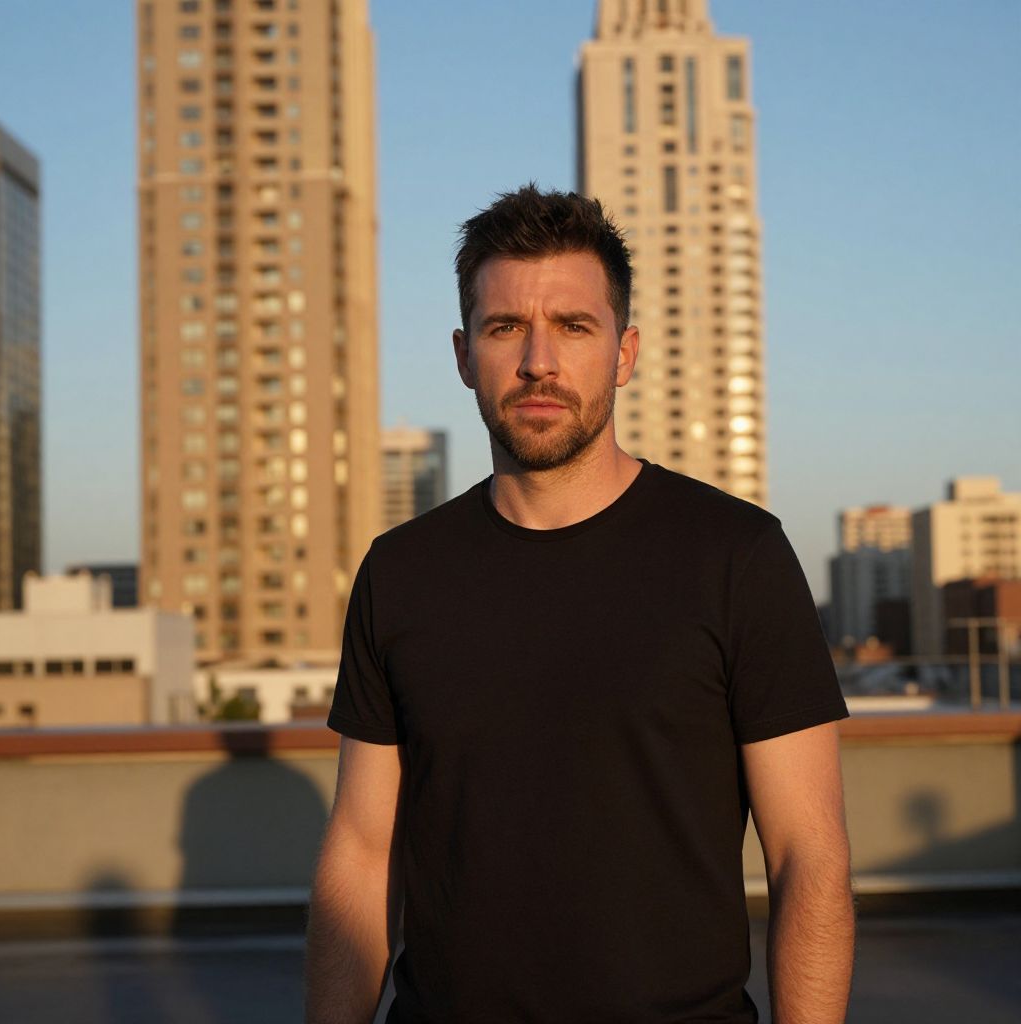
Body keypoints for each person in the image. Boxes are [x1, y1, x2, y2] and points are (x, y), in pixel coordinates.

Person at [305, 185, 855, 1024]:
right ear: (462, 355)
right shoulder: (401, 572)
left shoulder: (737, 557)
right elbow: (361, 853)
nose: (538, 362)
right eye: (503, 328)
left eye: (573, 326)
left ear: (624, 352)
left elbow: (808, 861)